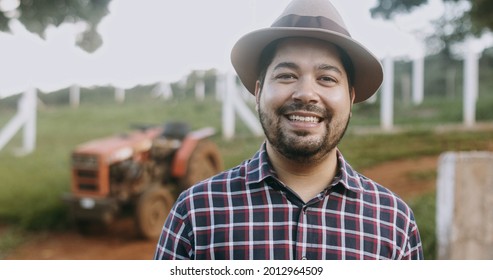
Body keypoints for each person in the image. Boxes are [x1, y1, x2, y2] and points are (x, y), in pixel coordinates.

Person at [154, 0, 423, 260]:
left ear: (350, 99)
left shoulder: (394, 223)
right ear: (258, 92)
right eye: (286, 75)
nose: (306, 94)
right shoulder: (196, 212)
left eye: (327, 79)